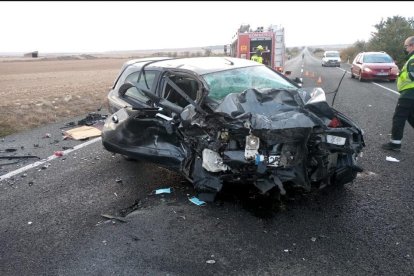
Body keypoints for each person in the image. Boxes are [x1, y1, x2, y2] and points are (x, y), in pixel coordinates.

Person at [382, 36, 414, 151]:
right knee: (411, 117)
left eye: (406, 46)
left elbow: (412, 75)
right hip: (410, 94)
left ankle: (395, 144)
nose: (406, 49)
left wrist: (398, 73)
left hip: (409, 95)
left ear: (412, 45)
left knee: (399, 118)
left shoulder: (413, 59)